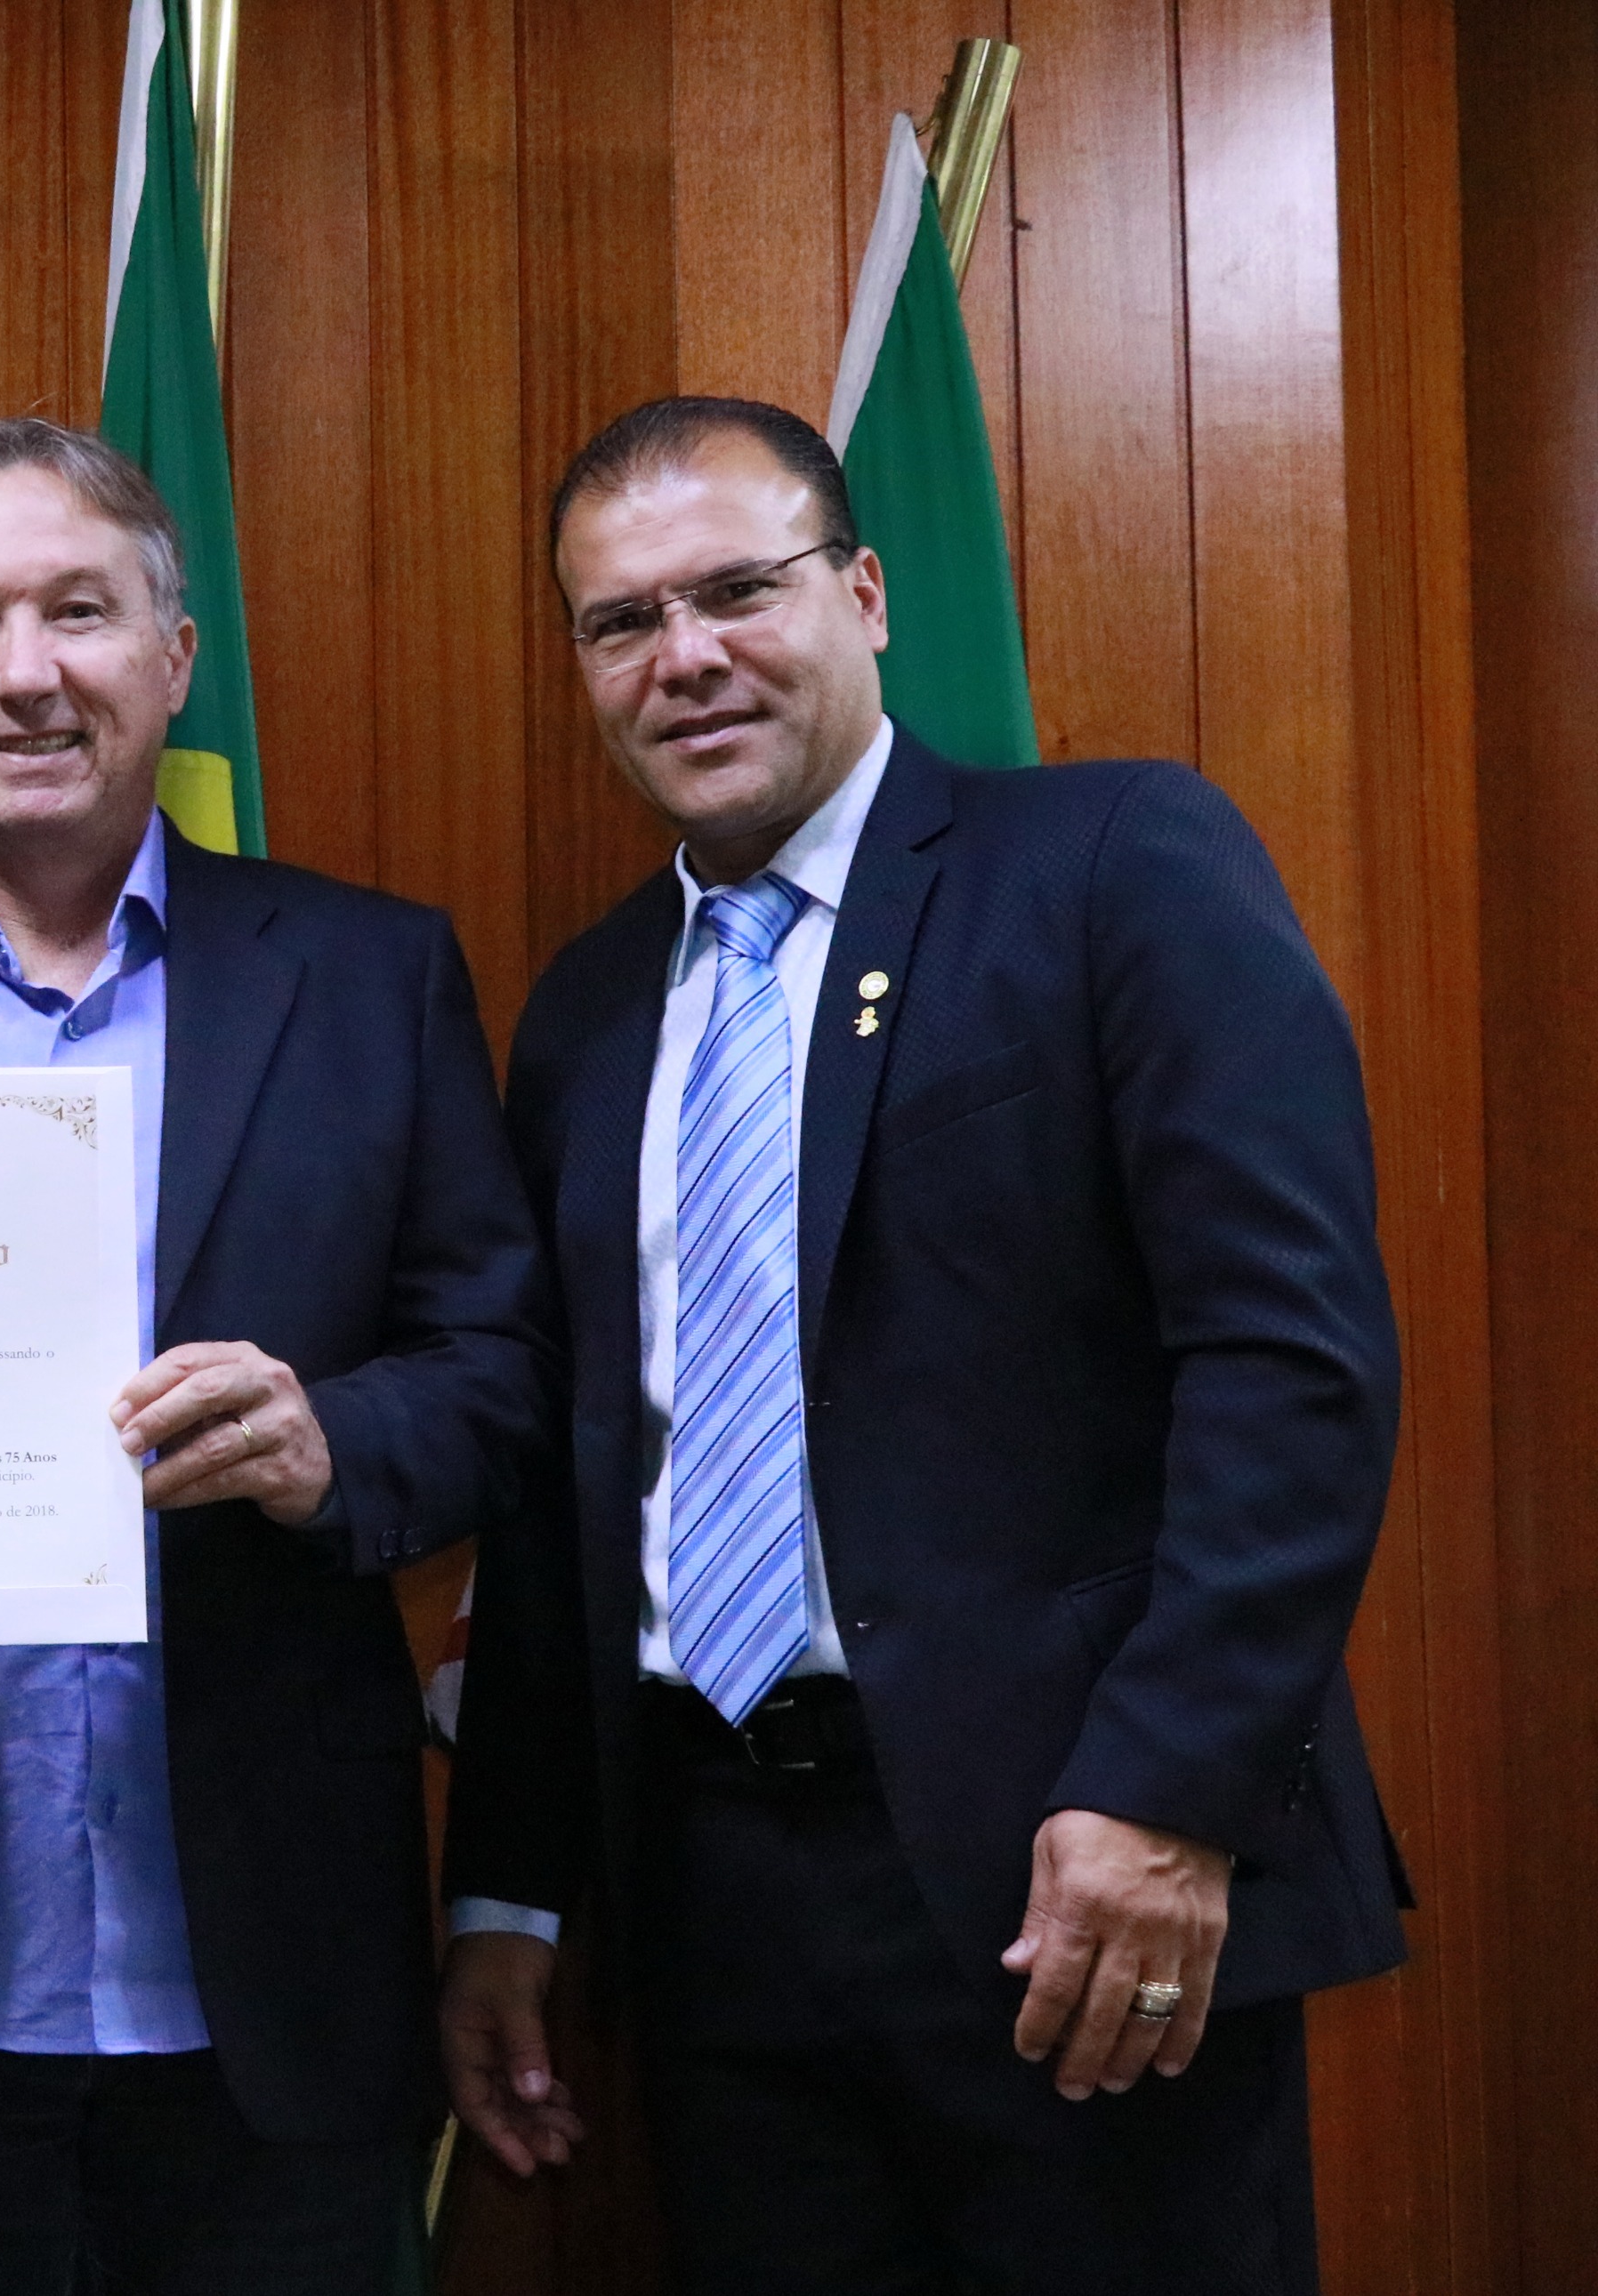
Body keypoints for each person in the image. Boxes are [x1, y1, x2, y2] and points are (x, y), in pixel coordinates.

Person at [440, 396, 1410, 2292]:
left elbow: (1288, 1362)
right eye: (622, 621)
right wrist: (513, 1891)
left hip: (1081, 1881)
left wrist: (1168, 1791)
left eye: (738, 590)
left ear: (868, 593)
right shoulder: (584, 1015)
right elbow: (567, 1491)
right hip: (715, 1905)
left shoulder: (1111, 861)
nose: (685, 656)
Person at [0, 416, 549, 2292]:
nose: (28, 671)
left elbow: (503, 1373)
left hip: (272, 1990)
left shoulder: (370, 980)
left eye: (81, 609)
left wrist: (334, 1444)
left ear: (175, 654)